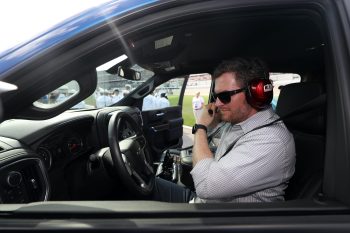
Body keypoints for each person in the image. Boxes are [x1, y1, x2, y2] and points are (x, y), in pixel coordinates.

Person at [152, 57, 295, 203]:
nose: (218, 103)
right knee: (150, 184)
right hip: (204, 204)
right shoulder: (239, 122)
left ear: (255, 93)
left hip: (219, 220)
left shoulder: (271, 140)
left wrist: (200, 126)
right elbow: (213, 140)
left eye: (225, 96)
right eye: (216, 96)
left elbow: (205, 185)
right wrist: (211, 123)